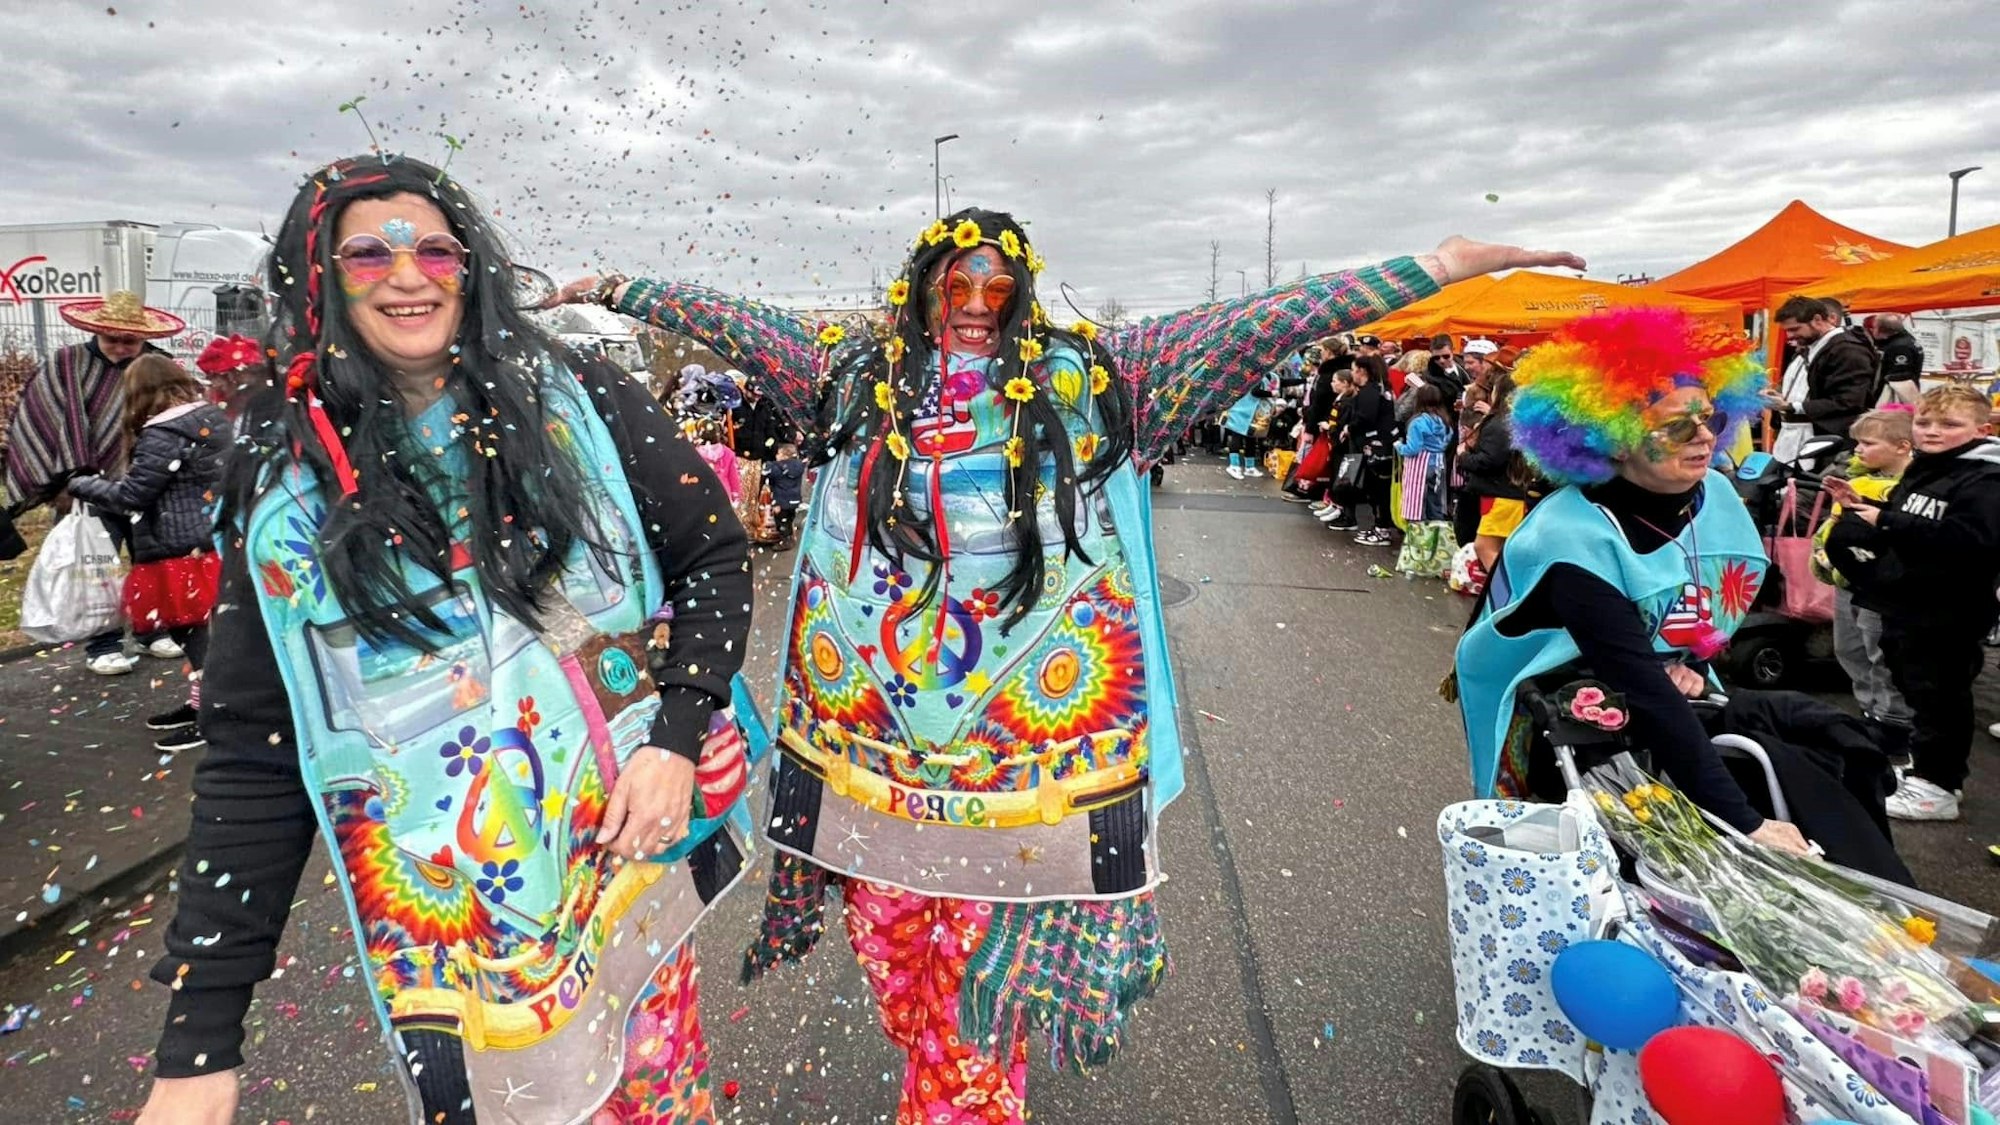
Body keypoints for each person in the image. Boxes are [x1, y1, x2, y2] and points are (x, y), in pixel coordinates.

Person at [556, 214, 1580, 1123]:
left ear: (1024, 294)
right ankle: (941, 1082)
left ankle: (961, 1100)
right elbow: (727, 316)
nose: (972, 307)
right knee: (902, 985)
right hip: (868, 783)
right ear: (919, 292)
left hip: (1026, 788)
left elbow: (1263, 320)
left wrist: (1437, 265)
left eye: (995, 290)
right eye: (951, 289)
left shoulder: (1090, 377)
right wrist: (612, 289)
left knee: (969, 1024)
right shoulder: (848, 370)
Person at [134, 155, 755, 1125]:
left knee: (653, 1099)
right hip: (450, 917)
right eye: (367, 254)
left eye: (433, 247)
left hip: (612, 853)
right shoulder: (280, 479)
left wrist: (676, 736)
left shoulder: (580, 394)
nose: (408, 273)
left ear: (471, 266)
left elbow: (713, 553)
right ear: (319, 280)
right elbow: (256, 753)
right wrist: (199, 1045)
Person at [1456, 307, 1813, 856]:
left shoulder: (1717, 495)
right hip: (1555, 692)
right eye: (1675, 427)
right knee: (1572, 854)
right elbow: (1639, 683)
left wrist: (1688, 662)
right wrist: (1747, 822)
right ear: (1614, 440)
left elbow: (1713, 602)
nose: (1703, 438)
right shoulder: (1569, 536)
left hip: (1647, 683)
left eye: (1712, 420)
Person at [1824, 385, 2000, 822]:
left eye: (1949, 424)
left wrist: (1886, 519)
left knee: (1941, 699)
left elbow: (1972, 541)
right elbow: (1917, 523)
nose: (1933, 432)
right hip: (1909, 604)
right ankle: (1927, 771)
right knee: (1920, 694)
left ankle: (1939, 786)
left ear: (1982, 429)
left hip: (1949, 610)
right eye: (1925, 422)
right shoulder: (1926, 469)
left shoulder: (1985, 479)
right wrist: (1861, 507)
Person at [4, 291, 186, 674]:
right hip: (86, 488)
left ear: (144, 337)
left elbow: (180, 419)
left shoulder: (160, 366)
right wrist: (62, 483)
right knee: (93, 568)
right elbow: (43, 418)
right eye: (111, 340)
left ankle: (153, 630)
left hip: (147, 485)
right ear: (95, 332)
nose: (121, 348)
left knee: (151, 562)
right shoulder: (67, 363)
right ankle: (102, 645)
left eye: (129, 341)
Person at [63, 355, 230, 753]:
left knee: (194, 634)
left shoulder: (163, 432)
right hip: (208, 540)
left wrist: (83, 485)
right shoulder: (211, 419)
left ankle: (213, 715)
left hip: (176, 548)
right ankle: (202, 705)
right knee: (199, 631)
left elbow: (133, 495)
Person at [1811, 408, 1916, 763]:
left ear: (1903, 446)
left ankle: (1893, 722)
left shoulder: (1910, 488)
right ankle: (1869, 710)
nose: (1857, 450)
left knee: (1880, 653)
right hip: (1849, 580)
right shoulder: (1862, 478)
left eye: (1868, 443)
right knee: (1849, 648)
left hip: (1880, 588)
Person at [1770, 295, 1879, 445]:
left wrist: (1790, 407)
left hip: (1828, 442)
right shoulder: (1813, 347)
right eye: (1787, 331)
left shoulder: (1847, 350)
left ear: (1817, 320)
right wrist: (1780, 396)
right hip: (1797, 439)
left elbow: (1849, 402)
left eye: (1795, 329)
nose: (1790, 336)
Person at [1456, 348, 1528, 572]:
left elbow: (1490, 459)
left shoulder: (1500, 423)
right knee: (1501, 545)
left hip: (1501, 495)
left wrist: (1464, 456)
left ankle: (1503, 588)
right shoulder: (1510, 421)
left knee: (1484, 546)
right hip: (1504, 493)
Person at [1333, 346, 1398, 545]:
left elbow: (1366, 417)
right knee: (1375, 488)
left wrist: (1350, 428)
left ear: (1361, 371)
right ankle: (1379, 526)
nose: (1352, 374)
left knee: (1378, 489)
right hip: (1378, 444)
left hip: (1375, 446)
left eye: (1353, 370)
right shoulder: (1380, 389)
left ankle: (1382, 528)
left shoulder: (1371, 391)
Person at [1393, 382, 1455, 577]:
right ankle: (1438, 554)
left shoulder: (1418, 421)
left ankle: (1417, 555)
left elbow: (1413, 448)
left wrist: (1398, 447)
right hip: (1438, 464)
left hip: (1420, 465)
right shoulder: (1444, 421)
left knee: (1415, 508)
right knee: (1435, 507)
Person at [1868, 312, 1925, 406]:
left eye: (1874, 327)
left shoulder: (1900, 348)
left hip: (1893, 400)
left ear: (1881, 330)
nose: (1872, 330)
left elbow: (1899, 381)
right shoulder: (1906, 339)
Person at [1220, 375, 1272, 478]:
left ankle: (1250, 467)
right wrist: (1271, 393)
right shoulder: (1255, 374)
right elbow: (1255, 391)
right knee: (1237, 437)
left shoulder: (1267, 375)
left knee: (1251, 439)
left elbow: (1282, 381)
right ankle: (1234, 466)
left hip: (1250, 413)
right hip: (1241, 411)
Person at [763, 441, 806, 549]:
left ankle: (785, 541)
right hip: (795, 499)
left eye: (778, 454)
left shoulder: (777, 467)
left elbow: (768, 472)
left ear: (784, 456)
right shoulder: (799, 466)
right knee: (789, 518)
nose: (776, 456)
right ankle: (791, 536)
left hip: (781, 501)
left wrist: (767, 465)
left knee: (781, 521)